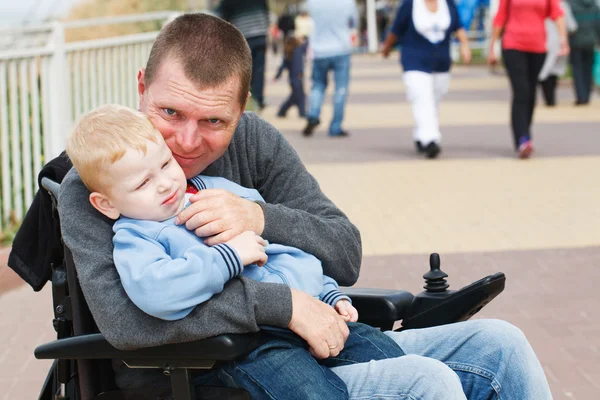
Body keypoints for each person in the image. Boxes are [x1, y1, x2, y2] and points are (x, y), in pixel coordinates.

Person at [59, 13, 553, 399]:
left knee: (501, 346)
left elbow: (344, 250)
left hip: (317, 346)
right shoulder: (104, 179)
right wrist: (285, 305)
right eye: (170, 112)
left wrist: (259, 217)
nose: (186, 142)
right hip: (205, 374)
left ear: (243, 107)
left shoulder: (255, 143)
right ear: (142, 86)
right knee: (426, 385)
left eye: (214, 120)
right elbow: (127, 323)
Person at [65, 104, 405, 397]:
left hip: (307, 316)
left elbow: (287, 252)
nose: (166, 183)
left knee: (396, 362)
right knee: (314, 392)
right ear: (106, 203)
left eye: (166, 165)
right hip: (248, 346)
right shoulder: (136, 239)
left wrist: (328, 295)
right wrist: (228, 258)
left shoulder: (216, 193)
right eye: (142, 183)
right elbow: (158, 293)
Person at [381, 0, 472, 159]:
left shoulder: (448, 4)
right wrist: (387, 48)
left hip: (441, 63)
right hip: (414, 61)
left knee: (434, 101)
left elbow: (458, 27)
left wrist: (465, 46)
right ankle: (430, 140)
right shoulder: (410, 4)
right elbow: (396, 30)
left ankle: (420, 135)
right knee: (422, 99)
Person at [488, 0, 568, 159]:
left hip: (537, 46)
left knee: (531, 92)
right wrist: (492, 47)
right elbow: (501, 16)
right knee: (521, 90)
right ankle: (522, 139)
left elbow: (557, 13)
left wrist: (563, 38)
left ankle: (526, 134)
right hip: (513, 45)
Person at [302, 0, 358, 138]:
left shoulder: (313, 2)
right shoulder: (348, 3)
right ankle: (335, 127)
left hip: (319, 49)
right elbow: (354, 23)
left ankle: (313, 114)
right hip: (341, 49)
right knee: (341, 89)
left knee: (318, 86)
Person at [216, 0, 269, 110]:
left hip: (244, 37)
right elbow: (266, 14)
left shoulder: (229, 2)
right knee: (259, 69)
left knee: (243, 70)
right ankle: (258, 99)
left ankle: (243, 98)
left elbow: (223, 19)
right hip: (260, 35)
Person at [538, 1, 577, 106]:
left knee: (544, 70)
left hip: (541, 41)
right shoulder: (562, 5)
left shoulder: (540, 4)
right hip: (557, 42)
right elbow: (572, 25)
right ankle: (550, 98)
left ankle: (548, 98)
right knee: (552, 70)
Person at [568, 0, 600, 105]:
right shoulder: (594, 5)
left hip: (575, 41)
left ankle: (581, 97)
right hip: (591, 41)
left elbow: (568, 23)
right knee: (588, 68)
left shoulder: (570, 5)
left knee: (577, 69)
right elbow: (598, 24)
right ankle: (587, 95)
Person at [274, 36, 307, 118]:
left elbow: (282, 67)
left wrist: (277, 76)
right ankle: (283, 111)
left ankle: (301, 112)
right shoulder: (298, 49)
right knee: (297, 96)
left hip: (293, 79)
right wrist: (307, 38)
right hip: (298, 78)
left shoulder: (288, 53)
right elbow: (306, 45)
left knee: (299, 96)